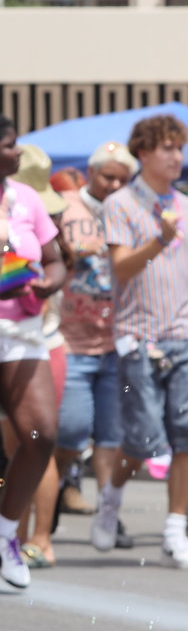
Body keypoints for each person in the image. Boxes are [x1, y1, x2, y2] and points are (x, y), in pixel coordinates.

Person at [97, 114, 188, 571]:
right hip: (139, 337)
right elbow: (121, 268)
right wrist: (159, 239)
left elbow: (186, 271)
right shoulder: (119, 204)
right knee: (142, 440)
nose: (177, 157)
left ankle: (175, 533)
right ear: (143, 152)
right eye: (167, 148)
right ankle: (110, 498)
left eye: (179, 148)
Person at [52, 143, 135, 552]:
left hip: (116, 339)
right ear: (91, 173)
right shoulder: (65, 207)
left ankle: (107, 512)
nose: (115, 185)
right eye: (108, 177)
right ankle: (49, 491)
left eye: (122, 179)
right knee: (70, 430)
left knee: (110, 435)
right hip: (71, 339)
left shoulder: (132, 210)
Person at [0, 121, 69, 589]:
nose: (18, 152)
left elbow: (56, 258)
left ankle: (5, 534)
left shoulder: (24, 197)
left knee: (41, 435)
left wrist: (48, 282)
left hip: (21, 332)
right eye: (9, 145)